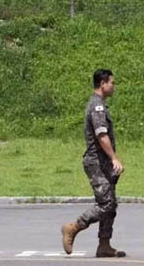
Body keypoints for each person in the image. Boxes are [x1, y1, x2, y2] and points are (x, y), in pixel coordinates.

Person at [61, 69, 126, 258]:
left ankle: (104, 245)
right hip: (96, 162)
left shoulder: (100, 104)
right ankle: (73, 227)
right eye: (112, 82)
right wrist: (114, 158)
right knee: (106, 204)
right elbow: (101, 135)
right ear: (103, 83)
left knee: (111, 205)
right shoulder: (97, 106)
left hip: (103, 162)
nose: (113, 86)